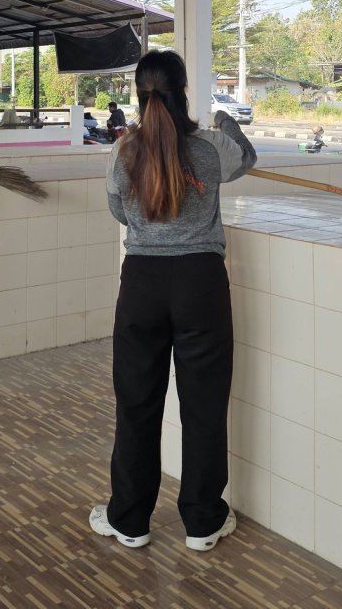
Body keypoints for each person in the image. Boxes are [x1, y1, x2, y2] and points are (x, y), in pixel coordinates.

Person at [90, 50, 257, 552]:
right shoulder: (212, 148)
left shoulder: (122, 150)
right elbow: (247, 156)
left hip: (142, 283)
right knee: (204, 406)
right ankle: (203, 523)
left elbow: (119, 212)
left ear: (139, 96)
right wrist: (224, 119)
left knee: (137, 404)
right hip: (200, 283)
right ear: (183, 92)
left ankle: (129, 520)